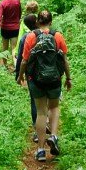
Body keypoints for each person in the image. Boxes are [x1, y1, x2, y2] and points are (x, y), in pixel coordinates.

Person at [17, 10, 71, 162]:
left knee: (41, 113)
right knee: (54, 107)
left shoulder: (31, 36)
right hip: (54, 79)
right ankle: (53, 136)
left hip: (36, 80)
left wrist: (21, 76)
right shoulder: (57, 36)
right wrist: (68, 78)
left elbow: (25, 61)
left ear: (37, 22)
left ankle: (40, 150)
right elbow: (64, 60)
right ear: (51, 22)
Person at [15, 13, 41, 139]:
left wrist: (18, 75)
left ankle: (37, 131)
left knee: (34, 101)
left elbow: (20, 58)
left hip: (31, 73)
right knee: (47, 100)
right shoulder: (48, 34)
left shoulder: (25, 37)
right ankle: (48, 126)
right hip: (49, 72)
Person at [0, 0, 22, 67]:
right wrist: (17, 20)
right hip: (15, 28)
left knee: (4, 47)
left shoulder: (2, 3)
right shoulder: (17, 1)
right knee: (14, 48)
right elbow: (19, 13)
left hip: (5, 28)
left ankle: (4, 65)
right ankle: (16, 65)